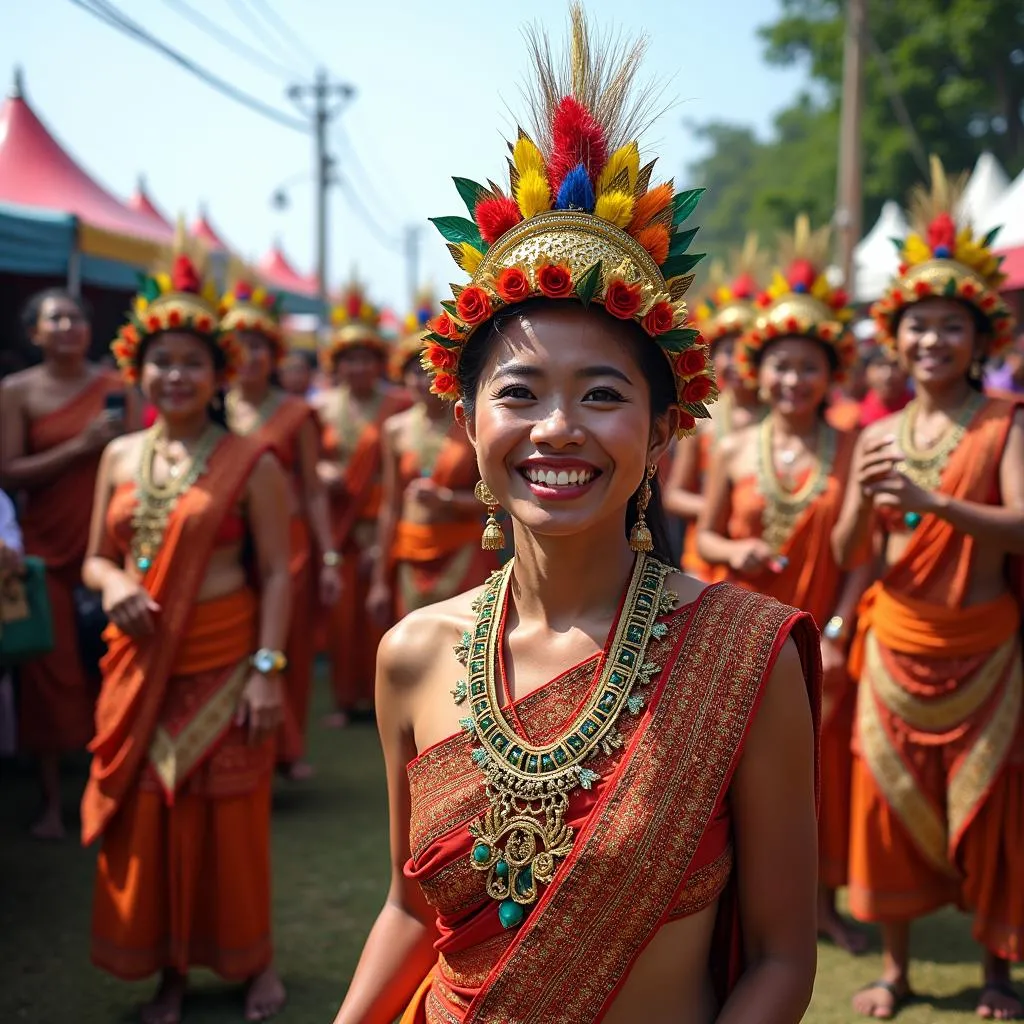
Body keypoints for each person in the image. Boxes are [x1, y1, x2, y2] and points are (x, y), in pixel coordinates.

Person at [332, 9, 820, 1022]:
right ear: (464, 420)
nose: (556, 429)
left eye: (602, 394)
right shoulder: (412, 655)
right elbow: (404, 908)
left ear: (662, 432)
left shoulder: (744, 655)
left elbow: (779, 954)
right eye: (518, 393)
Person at [834, 157, 1023, 1020]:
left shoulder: (1003, 424)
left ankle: (995, 973)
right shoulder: (874, 432)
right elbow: (851, 550)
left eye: (950, 328)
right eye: (917, 327)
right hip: (894, 644)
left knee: (992, 815)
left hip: (982, 649)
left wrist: (931, 500)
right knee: (884, 808)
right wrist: (864, 501)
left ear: (980, 342)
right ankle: (897, 972)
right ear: (895, 339)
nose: (931, 343)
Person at [82, 252, 292, 1023]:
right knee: (153, 817)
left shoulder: (250, 463)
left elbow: (276, 573)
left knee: (229, 821)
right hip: (140, 670)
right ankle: (170, 972)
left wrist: (269, 668)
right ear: (139, 371)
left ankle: (253, 963)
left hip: (228, 662)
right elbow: (94, 560)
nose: (175, 376)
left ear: (218, 374)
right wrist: (115, 586)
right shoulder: (115, 458)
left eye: (192, 364)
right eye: (161, 361)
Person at [696, 215, 868, 957]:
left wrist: (841, 625)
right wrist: (734, 544)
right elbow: (699, 537)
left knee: (825, 775)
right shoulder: (731, 447)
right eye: (782, 367)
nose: (794, 381)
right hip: (743, 634)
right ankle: (728, 907)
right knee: (735, 772)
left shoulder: (858, 446)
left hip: (823, 632)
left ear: (832, 375)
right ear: (758, 373)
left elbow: (870, 552)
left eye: (809, 368)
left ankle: (821, 906)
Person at [0, 288, 132, 839]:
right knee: (49, 681)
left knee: (115, 669)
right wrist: (79, 448)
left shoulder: (118, 387)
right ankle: (54, 803)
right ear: (35, 333)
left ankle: (116, 794)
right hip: (46, 552)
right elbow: (8, 471)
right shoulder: (16, 392)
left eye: (77, 317)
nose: (69, 326)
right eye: (56, 318)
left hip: (112, 549)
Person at [222, 279, 341, 779]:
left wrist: (329, 554)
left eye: (258, 347)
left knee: (284, 642)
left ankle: (285, 749)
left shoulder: (296, 413)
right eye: (237, 348)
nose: (248, 357)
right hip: (226, 539)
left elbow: (313, 488)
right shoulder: (214, 408)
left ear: (272, 354)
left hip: (287, 540)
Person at [316, 282, 410, 726]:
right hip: (338, 524)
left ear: (379, 363)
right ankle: (344, 699)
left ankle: (383, 701)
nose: (358, 367)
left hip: (383, 520)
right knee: (341, 619)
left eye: (367, 359)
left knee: (383, 614)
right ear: (338, 365)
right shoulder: (322, 410)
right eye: (350, 359)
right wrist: (322, 472)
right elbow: (308, 465)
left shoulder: (399, 404)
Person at [366, 328, 497, 626]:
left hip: (462, 549)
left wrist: (447, 500)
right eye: (413, 372)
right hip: (410, 553)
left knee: (468, 637)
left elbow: (497, 496)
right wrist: (379, 581)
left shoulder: (472, 424)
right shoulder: (394, 429)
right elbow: (391, 505)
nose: (420, 381)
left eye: (429, 372)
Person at [662, 237, 766, 582]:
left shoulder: (780, 421)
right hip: (705, 568)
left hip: (764, 559)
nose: (733, 362)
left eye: (743, 351)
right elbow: (674, 495)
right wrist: (721, 508)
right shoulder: (702, 418)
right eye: (725, 350)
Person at [858, 338, 911, 428]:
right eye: (879, 365)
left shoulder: (921, 413)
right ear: (865, 373)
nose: (888, 375)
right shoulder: (854, 417)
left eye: (895, 365)